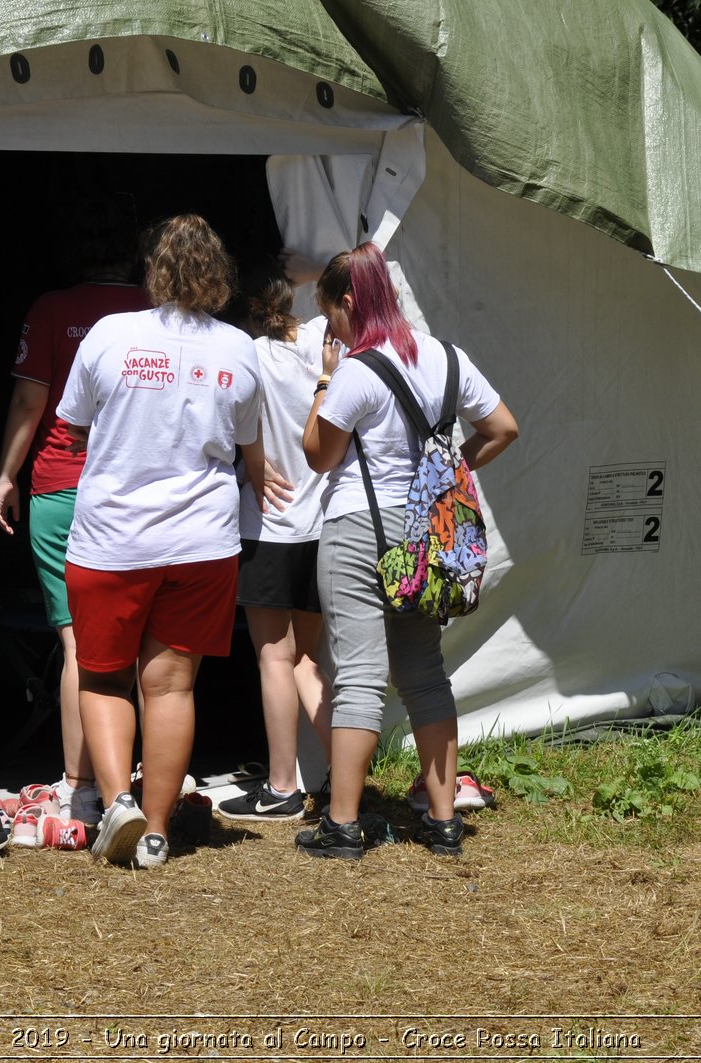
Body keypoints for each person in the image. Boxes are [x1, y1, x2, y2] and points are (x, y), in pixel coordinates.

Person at [295, 242, 520, 860]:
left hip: (358, 526)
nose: (333, 332)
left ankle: (342, 825)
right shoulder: (448, 358)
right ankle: (444, 822)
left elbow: (319, 455)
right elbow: (503, 427)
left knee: (360, 675)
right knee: (424, 671)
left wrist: (323, 377)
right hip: (426, 528)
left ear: (348, 303)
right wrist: (447, 474)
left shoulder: (357, 372)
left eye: (331, 317)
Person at [55, 214, 262, 868]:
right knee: (171, 687)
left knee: (104, 675)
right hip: (202, 539)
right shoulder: (237, 348)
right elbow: (249, 447)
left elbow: (73, 428)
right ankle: (158, 831)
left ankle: (119, 803)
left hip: (112, 538)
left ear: (154, 270)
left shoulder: (109, 335)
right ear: (218, 274)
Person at [0, 194, 148, 826]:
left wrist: (5, 473)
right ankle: (135, 782)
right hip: (138, 493)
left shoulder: (52, 309)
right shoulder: (155, 312)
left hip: (60, 486)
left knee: (79, 642)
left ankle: (81, 789)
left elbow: (31, 404)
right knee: (139, 644)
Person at [218, 260, 333, 822]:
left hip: (267, 522)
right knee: (309, 659)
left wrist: (252, 462)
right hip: (322, 522)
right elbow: (365, 256)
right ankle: (344, 775)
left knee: (273, 657)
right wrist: (309, 271)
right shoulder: (320, 339)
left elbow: (233, 428)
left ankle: (283, 785)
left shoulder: (243, 354)